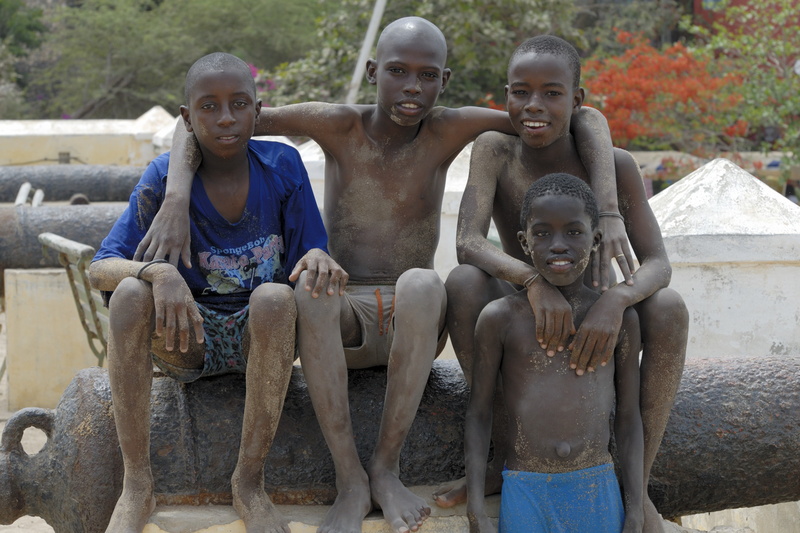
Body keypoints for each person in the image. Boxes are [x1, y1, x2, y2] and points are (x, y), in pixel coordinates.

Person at [134, 18, 625, 533]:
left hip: (414, 315)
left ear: (445, 80)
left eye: (427, 75)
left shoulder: (450, 128)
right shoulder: (337, 124)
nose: (412, 87)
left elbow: (585, 116)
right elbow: (211, 119)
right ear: (373, 71)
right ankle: (352, 480)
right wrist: (175, 196)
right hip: (343, 308)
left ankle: (385, 469)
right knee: (311, 287)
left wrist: (609, 210)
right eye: (397, 71)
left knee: (423, 281)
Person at [437, 35, 688, 532]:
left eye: (552, 93)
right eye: (520, 92)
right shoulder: (496, 151)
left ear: (577, 99)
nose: (534, 106)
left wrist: (618, 298)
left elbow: (658, 264)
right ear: (505, 95)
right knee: (465, 282)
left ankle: (635, 482)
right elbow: (468, 243)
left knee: (669, 308)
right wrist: (531, 281)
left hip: (598, 309)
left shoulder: (611, 165)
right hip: (523, 304)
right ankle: (507, 452)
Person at [89, 52, 345, 533]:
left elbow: (311, 248)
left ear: (257, 110)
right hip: (186, 337)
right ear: (186, 117)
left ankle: (249, 482)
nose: (225, 118)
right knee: (128, 294)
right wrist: (159, 274)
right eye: (208, 106)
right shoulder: (163, 179)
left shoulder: (282, 166)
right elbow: (99, 268)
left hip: (259, 337)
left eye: (238, 104)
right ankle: (137, 484)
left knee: (273, 298)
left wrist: (317, 256)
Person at [465, 173, 644, 533]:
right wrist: (476, 511)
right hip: (525, 487)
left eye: (573, 232)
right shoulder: (501, 318)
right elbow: (479, 413)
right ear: (524, 242)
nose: (557, 245)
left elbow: (628, 416)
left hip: (597, 486)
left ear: (596, 240)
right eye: (542, 233)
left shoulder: (618, 321)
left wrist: (637, 507)